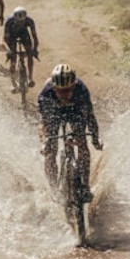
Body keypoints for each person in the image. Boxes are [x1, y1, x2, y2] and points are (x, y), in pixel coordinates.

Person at [37, 63, 102, 197]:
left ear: (73, 86)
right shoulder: (46, 94)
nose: (64, 95)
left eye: (67, 91)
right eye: (60, 91)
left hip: (75, 111)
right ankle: (54, 189)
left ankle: (85, 185)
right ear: (54, 88)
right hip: (53, 113)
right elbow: (43, 123)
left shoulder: (81, 90)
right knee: (51, 150)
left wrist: (95, 138)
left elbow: (89, 117)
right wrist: (45, 141)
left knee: (82, 142)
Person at [4, 6, 39, 92]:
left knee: (30, 53)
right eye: (18, 22)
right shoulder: (9, 21)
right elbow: (5, 39)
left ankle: (30, 78)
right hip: (12, 35)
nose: (20, 23)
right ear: (14, 19)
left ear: (25, 19)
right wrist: (9, 50)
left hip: (24, 34)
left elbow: (34, 37)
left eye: (22, 22)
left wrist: (34, 49)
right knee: (13, 58)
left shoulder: (30, 21)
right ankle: (12, 82)